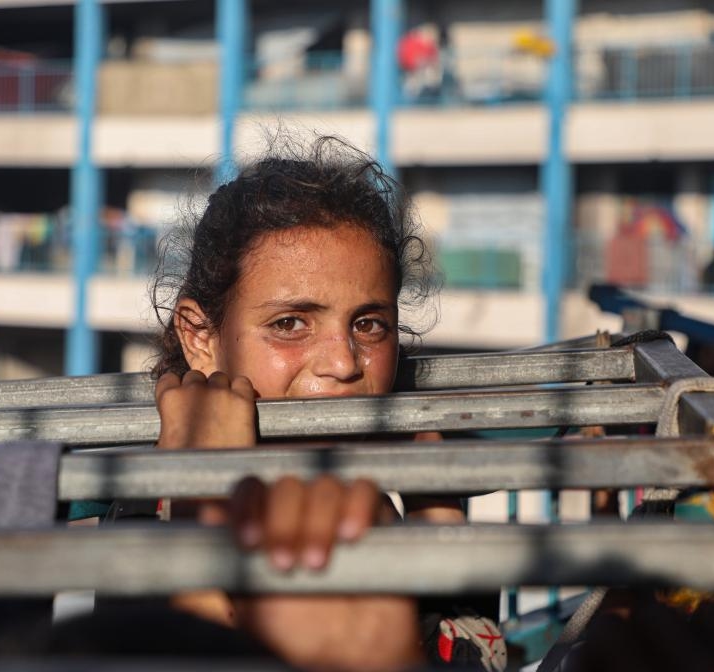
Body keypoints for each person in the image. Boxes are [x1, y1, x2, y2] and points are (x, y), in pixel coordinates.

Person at [143, 135, 504, 671]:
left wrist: (435, 500)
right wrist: (198, 491)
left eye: (369, 324)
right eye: (289, 324)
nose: (343, 362)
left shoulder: (377, 501)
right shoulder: (145, 518)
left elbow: (467, 654)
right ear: (201, 338)